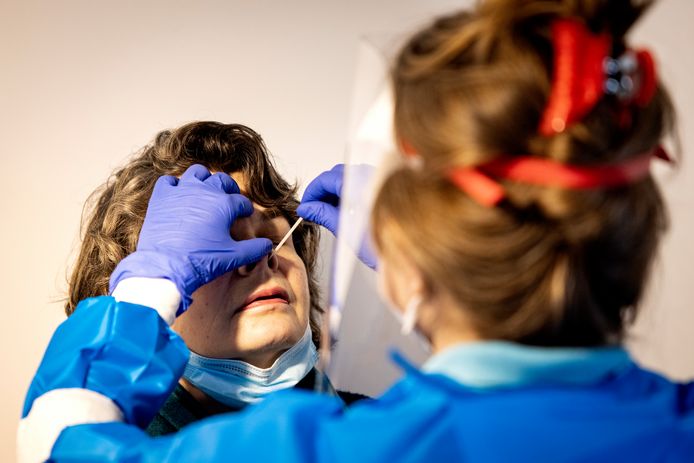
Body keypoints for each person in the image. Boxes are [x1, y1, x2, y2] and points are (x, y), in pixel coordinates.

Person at [18, 0, 694, 461]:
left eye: (265, 226)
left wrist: (149, 288)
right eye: (211, 246)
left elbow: (59, 440)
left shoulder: (348, 440)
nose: (257, 256)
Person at [62, 121, 363, 437]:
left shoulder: (384, 432)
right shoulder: (113, 444)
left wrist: (417, 268)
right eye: (223, 245)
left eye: (274, 238)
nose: (263, 258)